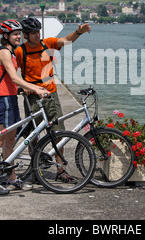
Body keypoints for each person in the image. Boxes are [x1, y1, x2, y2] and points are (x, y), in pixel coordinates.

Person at [15, 17, 91, 182]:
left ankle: (60, 170)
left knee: (59, 133)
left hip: (50, 93)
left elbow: (66, 40)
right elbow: (13, 73)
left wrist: (79, 32)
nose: (37, 35)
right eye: (33, 33)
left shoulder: (47, 43)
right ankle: (35, 168)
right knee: (33, 135)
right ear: (26, 35)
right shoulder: (20, 51)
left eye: (38, 31)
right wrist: (24, 87)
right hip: (32, 96)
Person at [0, 19, 50, 195]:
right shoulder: (5, 53)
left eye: (19, 34)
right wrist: (36, 88)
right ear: (5, 36)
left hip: (11, 99)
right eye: (15, 34)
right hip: (3, 100)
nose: (18, 37)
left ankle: (12, 178)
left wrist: (25, 89)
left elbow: (11, 81)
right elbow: (14, 78)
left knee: (9, 142)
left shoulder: (11, 52)